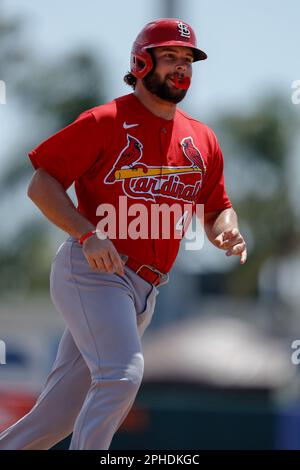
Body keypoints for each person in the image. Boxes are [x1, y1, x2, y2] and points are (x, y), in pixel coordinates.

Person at [0, 18, 247, 450]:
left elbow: (217, 208)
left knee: (58, 415)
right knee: (121, 375)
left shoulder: (202, 138)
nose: (181, 67)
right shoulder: (105, 121)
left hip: (144, 289)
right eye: (170, 56)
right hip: (94, 271)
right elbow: (42, 183)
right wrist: (85, 232)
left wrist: (228, 231)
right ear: (141, 61)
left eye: (187, 59)